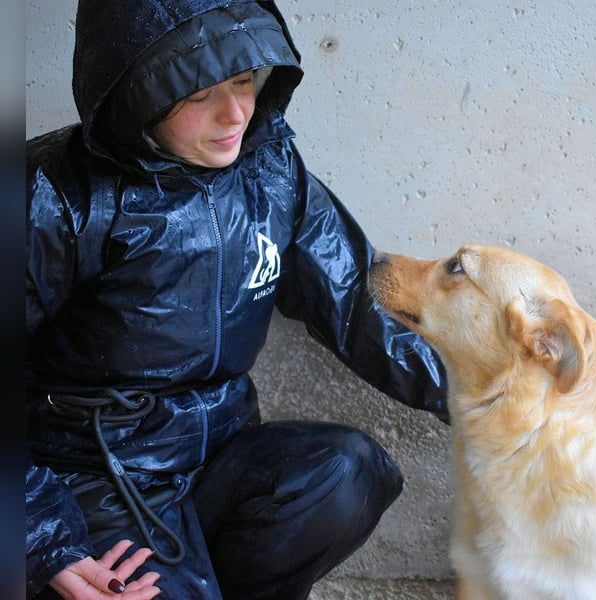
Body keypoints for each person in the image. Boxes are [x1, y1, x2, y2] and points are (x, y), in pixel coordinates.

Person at [25, 1, 448, 598]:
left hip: (222, 455)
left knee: (345, 472)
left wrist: (487, 397)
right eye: (200, 93)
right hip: (95, 478)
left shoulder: (270, 169)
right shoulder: (53, 196)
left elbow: (353, 299)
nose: (235, 113)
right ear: (134, 93)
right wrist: (42, 539)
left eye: (245, 80)